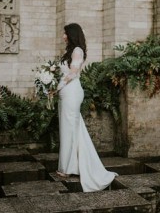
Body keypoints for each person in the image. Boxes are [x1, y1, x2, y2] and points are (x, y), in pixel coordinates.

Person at [53, 23, 117, 192]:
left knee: (70, 129)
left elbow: (73, 73)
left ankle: (67, 168)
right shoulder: (70, 50)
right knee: (69, 128)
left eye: (65, 33)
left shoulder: (77, 51)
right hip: (66, 92)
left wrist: (58, 86)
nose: (63, 36)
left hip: (72, 92)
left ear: (72, 34)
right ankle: (72, 165)